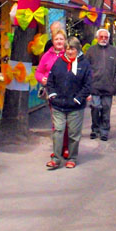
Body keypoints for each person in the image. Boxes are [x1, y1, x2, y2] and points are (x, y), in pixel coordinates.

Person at [45, 37, 92, 169]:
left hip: (75, 106)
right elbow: (50, 80)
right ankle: (56, 159)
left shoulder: (84, 64)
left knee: (73, 134)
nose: (69, 51)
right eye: (67, 48)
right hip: (58, 104)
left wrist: (78, 99)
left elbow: (87, 85)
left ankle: (72, 157)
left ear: (77, 49)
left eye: (72, 48)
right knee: (58, 131)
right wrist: (53, 95)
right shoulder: (59, 62)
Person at [84, 28, 116, 141]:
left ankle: (104, 131)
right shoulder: (91, 51)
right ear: (97, 38)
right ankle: (95, 129)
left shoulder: (114, 51)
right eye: (101, 37)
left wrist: (114, 84)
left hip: (108, 86)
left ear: (109, 38)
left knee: (106, 109)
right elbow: (86, 68)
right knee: (95, 108)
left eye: (106, 37)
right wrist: (88, 83)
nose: (103, 39)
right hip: (94, 86)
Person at [35, 27, 70, 160]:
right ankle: (58, 148)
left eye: (61, 39)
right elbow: (38, 72)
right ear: (53, 41)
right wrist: (42, 78)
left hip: (67, 93)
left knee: (66, 122)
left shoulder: (69, 53)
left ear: (65, 41)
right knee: (56, 122)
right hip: (52, 93)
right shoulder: (47, 55)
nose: (59, 41)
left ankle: (66, 147)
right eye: (56, 39)